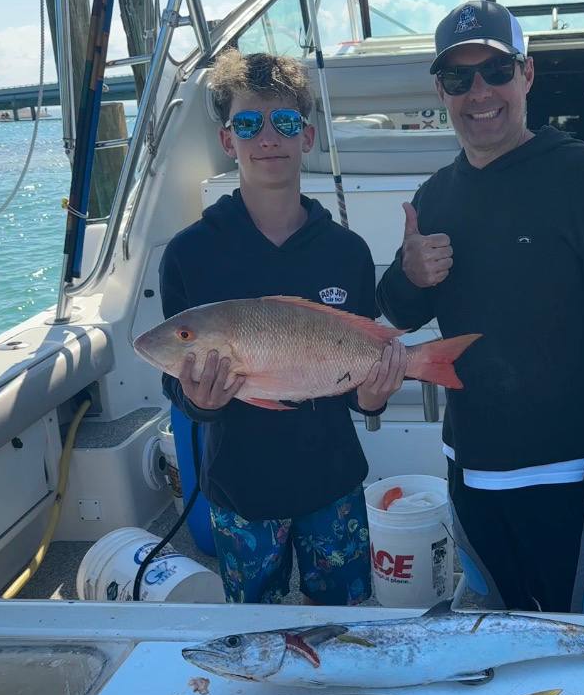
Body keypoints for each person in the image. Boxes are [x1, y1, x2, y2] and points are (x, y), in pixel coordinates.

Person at [377, 1, 584, 614]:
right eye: (459, 77)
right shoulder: (435, 195)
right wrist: (408, 275)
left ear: (527, 75)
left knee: (579, 635)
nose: (478, 91)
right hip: (470, 469)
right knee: (495, 629)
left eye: (495, 70)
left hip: (568, 472)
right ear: (442, 90)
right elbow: (401, 313)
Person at [160, 50, 406, 606]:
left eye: (284, 122)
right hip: (239, 488)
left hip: (334, 481)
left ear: (307, 136)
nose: (267, 136)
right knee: (250, 635)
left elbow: (354, 380)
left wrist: (372, 399)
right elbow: (174, 379)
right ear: (229, 140)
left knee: (345, 624)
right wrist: (198, 400)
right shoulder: (189, 254)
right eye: (248, 123)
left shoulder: (347, 252)